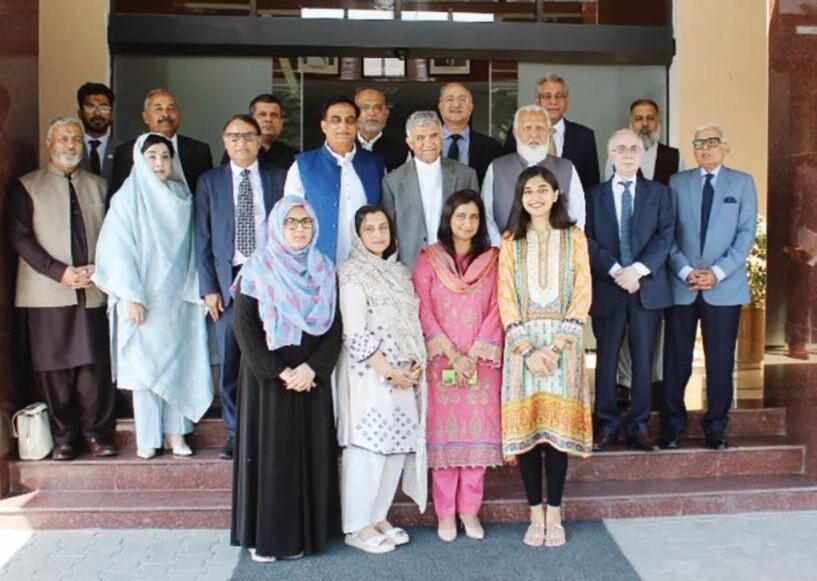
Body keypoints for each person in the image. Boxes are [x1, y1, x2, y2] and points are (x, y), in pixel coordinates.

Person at [231, 195, 342, 563]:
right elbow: (244, 330)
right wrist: (278, 372)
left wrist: (312, 369)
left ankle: (304, 537)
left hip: (310, 379)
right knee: (272, 458)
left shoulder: (324, 269)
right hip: (269, 382)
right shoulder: (256, 269)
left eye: (305, 222)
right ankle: (266, 538)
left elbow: (334, 328)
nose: (299, 229)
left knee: (308, 455)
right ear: (277, 227)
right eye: (290, 223)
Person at [93, 134, 213, 459]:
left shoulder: (183, 196)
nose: (159, 163)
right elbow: (117, 251)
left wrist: (196, 291)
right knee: (145, 369)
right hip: (142, 299)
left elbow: (195, 249)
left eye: (165, 156)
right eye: (152, 156)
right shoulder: (127, 198)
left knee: (178, 364)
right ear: (140, 159)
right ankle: (148, 438)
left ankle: (177, 434)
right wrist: (131, 296)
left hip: (177, 300)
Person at [8, 116, 116, 460]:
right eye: (63, 139)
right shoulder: (27, 185)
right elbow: (20, 238)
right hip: (47, 292)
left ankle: (96, 434)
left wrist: (101, 268)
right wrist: (59, 273)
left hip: (93, 288)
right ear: (49, 144)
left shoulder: (99, 185)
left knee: (94, 368)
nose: (70, 145)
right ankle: (63, 438)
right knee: (53, 370)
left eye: (76, 139)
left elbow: (116, 234)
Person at [497, 166, 592, 547]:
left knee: (556, 436)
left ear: (555, 195)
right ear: (520, 199)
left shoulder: (574, 237)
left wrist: (554, 348)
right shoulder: (511, 241)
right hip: (523, 349)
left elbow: (582, 293)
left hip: (562, 348)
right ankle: (534, 512)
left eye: (542, 190)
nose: (535, 197)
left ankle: (555, 512)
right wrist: (527, 350)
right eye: (528, 191)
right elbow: (506, 296)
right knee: (529, 434)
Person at [413, 190, 504, 543]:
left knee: (476, 439)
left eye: (474, 217)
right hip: (442, 362)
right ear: (448, 219)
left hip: (482, 362)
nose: (467, 223)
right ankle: (446, 513)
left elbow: (499, 307)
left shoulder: (493, 261)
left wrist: (475, 353)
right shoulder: (429, 260)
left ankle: (469, 510)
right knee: (444, 440)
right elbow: (422, 308)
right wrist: (453, 355)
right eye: (460, 216)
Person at [337, 205, 427, 554]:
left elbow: (412, 323)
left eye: (383, 227)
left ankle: (377, 516)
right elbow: (355, 332)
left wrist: (412, 367)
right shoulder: (352, 272)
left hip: (403, 373)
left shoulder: (398, 271)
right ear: (358, 235)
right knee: (369, 448)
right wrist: (388, 371)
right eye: (369, 229)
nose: (377, 234)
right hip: (370, 375)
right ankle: (356, 525)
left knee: (397, 446)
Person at [195, 114, 286, 460]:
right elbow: (202, 238)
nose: (241, 143)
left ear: (259, 140)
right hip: (228, 279)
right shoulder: (210, 181)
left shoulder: (279, 177)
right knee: (231, 357)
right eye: (234, 137)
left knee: (270, 352)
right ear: (224, 141)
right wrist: (209, 288)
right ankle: (235, 433)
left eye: (248, 136)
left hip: (271, 277)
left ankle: (270, 427)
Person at [662, 124, 758, 451]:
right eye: (699, 142)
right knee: (676, 361)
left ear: (726, 147)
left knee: (719, 362)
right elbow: (667, 233)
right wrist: (685, 270)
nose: (705, 148)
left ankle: (716, 427)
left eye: (712, 142)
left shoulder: (742, 183)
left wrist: (716, 273)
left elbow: (745, 235)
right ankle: (672, 426)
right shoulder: (677, 183)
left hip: (724, 287)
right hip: (683, 284)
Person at [585, 129, 673, 452]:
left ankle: (640, 426)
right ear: (610, 155)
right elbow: (586, 238)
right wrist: (615, 270)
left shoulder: (660, 193)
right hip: (608, 287)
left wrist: (637, 270)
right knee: (606, 360)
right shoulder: (593, 195)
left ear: (642, 155)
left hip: (645, 287)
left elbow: (665, 237)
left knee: (643, 360)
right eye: (620, 148)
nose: (627, 153)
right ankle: (606, 424)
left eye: (633, 148)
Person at [284, 96, 384, 264]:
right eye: (335, 120)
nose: (343, 126)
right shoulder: (303, 166)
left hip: (366, 265)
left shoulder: (375, 164)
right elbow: (289, 218)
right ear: (324, 126)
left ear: (357, 125)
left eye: (349, 120)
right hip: (317, 264)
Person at [382, 110, 478, 270]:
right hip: (411, 266)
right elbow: (389, 232)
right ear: (410, 143)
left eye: (434, 136)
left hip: (457, 265)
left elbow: (477, 223)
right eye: (420, 138)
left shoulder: (466, 175)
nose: (428, 143)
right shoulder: (392, 182)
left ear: (442, 137)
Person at [483, 105, 585, 245]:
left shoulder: (566, 167)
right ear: (515, 133)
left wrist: (566, 248)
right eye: (527, 128)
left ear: (550, 132)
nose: (534, 134)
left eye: (540, 128)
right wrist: (501, 247)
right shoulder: (497, 167)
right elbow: (486, 214)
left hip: (557, 252)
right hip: (505, 252)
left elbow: (578, 214)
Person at [503, 74, 600, 190]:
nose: (553, 101)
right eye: (547, 96)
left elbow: (592, 185)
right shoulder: (519, 132)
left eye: (560, 96)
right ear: (537, 100)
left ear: (567, 101)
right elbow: (506, 174)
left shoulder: (584, 136)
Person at [112, 89, 212, 195]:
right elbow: (117, 195)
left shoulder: (199, 151)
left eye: (171, 108)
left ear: (179, 114)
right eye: (158, 109)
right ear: (146, 117)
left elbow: (207, 195)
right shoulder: (126, 152)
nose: (165, 114)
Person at [603, 99, 684, 186]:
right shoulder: (616, 157)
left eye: (650, 118)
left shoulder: (675, 156)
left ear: (658, 122)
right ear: (630, 124)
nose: (645, 123)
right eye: (638, 118)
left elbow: (681, 190)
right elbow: (607, 191)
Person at [438, 83, 502, 186]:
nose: (456, 104)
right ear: (441, 107)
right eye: (450, 99)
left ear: (470, 107)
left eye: (462, 99)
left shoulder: (492, 147)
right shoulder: (423, 144)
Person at [220, 94, 298, 170]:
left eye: (274, 115)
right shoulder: (238, 151)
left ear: (281, 122)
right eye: (262, 114)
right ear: (251, 121)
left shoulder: (293, 156)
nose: (268, 119)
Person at [355, 88, 408, 172]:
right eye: (365, 108)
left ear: (386, 113)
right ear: (354, 114)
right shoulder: (343, 146)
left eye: (378, 108)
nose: (372, 113)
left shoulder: (401, 149)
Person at [76, 82, 117, 184]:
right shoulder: (71, 148)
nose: (97, 113)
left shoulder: (123, 151)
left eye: (104, 108)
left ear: (112, 114)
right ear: (80, 113)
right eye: (90, 107)